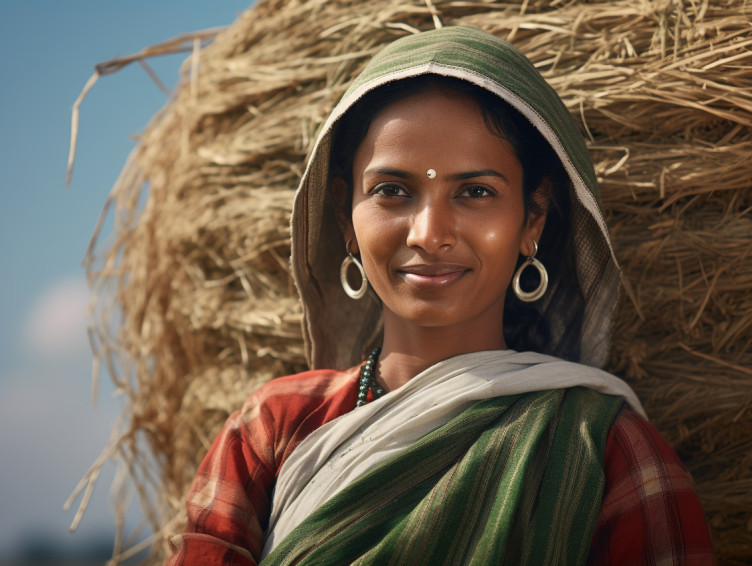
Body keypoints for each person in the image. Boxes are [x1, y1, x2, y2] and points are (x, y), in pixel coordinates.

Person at [166, 26, 714, 565]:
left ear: (533, 219)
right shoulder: (272, 431)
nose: (429, 233)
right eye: (393, 191)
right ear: (345, 217)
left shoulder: (606, 453)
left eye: (475, 192)